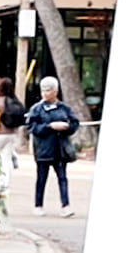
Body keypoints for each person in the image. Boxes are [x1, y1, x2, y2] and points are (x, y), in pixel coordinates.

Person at [24, 75, 80, 217]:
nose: (45, 93)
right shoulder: (37, 109)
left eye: (48, 90)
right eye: (43, 90)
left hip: (60, 149)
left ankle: (66, 205)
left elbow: (74, 123)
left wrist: (67, 127)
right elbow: (32, 127)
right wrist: (50, 126)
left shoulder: (65, 108)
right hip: (43, 149)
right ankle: (38, 205)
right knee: (41, 178)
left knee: (62, 178)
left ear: (56, 91)